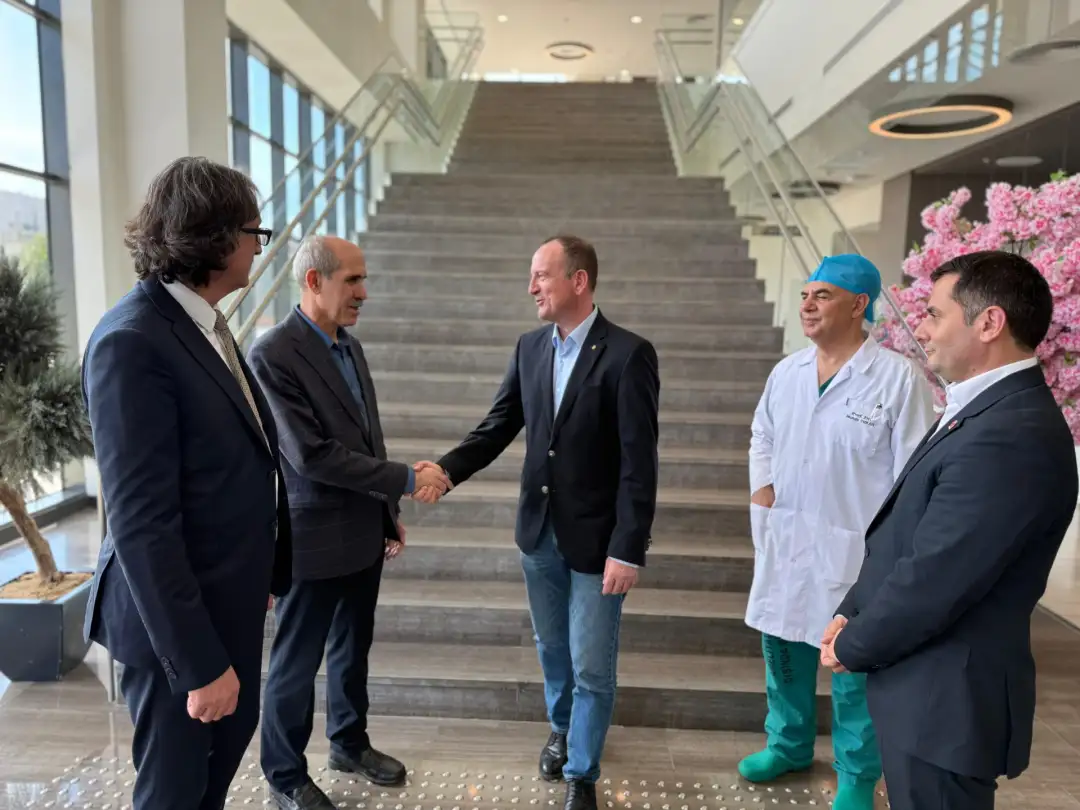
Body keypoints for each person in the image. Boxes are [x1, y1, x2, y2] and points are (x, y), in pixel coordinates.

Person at [821, 250, 1078, 810]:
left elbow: (937, 575)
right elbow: (908, 532)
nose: (921, 329)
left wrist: (853, 643)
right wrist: (853, 608)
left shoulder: (1009, 433)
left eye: (935, 314)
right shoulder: (982, 410)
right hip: (926, 690)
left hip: (946, 703)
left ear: (989, 323)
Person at [413, 235, 660, 810]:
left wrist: (628, 547)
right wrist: (445, 471)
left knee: (591, 662)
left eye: (541, 276)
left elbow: (639, 464)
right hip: (538, 532)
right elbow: (498, 425)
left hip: (598, 540)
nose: (531, 288)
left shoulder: (628, 354)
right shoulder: (530, 348)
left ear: (578, 280)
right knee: (552, 646)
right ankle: (562, 728)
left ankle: (582, 775)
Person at [82, 156, 293, 810]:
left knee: (210, 779)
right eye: (255, 233)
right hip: (176, 629)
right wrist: (198, 663)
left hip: (225, 600)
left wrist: (264, 572)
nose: (260, 247)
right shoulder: (132, 341)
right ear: (218, 237)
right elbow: (141, 522)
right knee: (173, 793)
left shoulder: (205, 325)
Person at [247, 234, 451, 810]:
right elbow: (310, 456)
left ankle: (348, 743)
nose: (364, 292)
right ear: (314, 281)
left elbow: (367, 438)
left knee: (351, 649)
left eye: (364, 279)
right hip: (311, 539)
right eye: (353, 280)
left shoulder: (348, 346)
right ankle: (285, 774)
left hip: (362, 530)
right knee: (296, 662)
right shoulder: (272, 354)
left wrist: (387, 514)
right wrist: (407, 479)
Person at [741, 254, 936, 810]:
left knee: (854, 665)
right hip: (786, 539)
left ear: (859, 305)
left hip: (857, 554)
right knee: (783, 651)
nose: (807, 304)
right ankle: (788, 745)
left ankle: (857, 773)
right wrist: (763, 490)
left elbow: (915, 473)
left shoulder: (898, 379)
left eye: (822, 295)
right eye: (805, 294)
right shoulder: (787, 373)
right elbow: (762, 434)